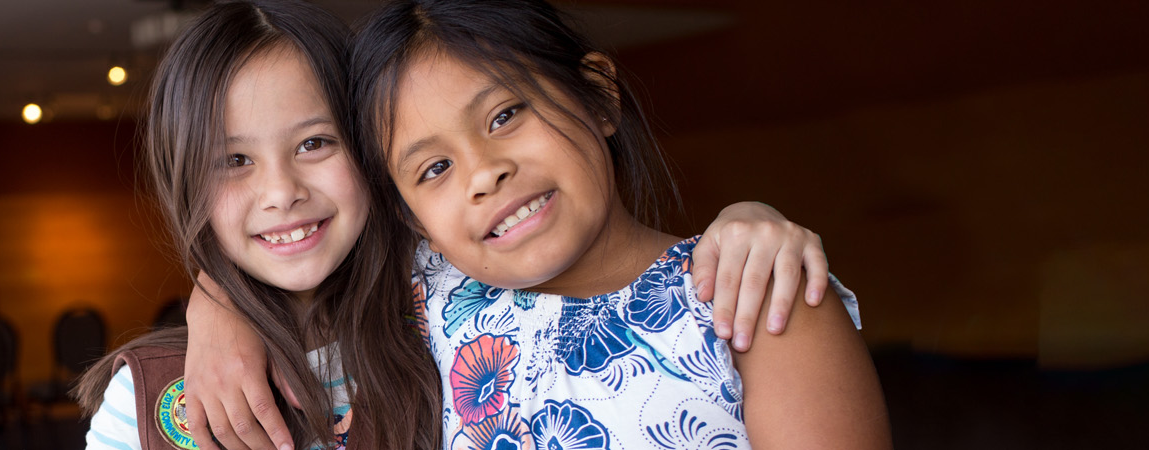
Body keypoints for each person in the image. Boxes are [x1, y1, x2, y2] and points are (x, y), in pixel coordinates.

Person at [78, 1, 840, 449]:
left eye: (316, 143)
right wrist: (216, 305)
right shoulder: (148, 405)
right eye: (231, 162)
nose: (482, 175)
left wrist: (751, 220)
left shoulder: (436, 292)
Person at [350, 0, 889, 447]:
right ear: (410, 218)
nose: (485, 174)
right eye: (435, 168)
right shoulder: (422, 301)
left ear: (600, 97)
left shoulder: (747, 294)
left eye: (505, 115)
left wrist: (754, 217)